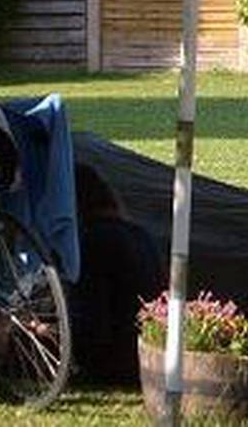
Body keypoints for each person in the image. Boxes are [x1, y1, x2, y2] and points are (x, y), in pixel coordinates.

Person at [69, 162, 166, 384]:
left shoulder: (95, 240)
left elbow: (92, 323)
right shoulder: (140, 234)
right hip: (147, 355)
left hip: (114, 360)